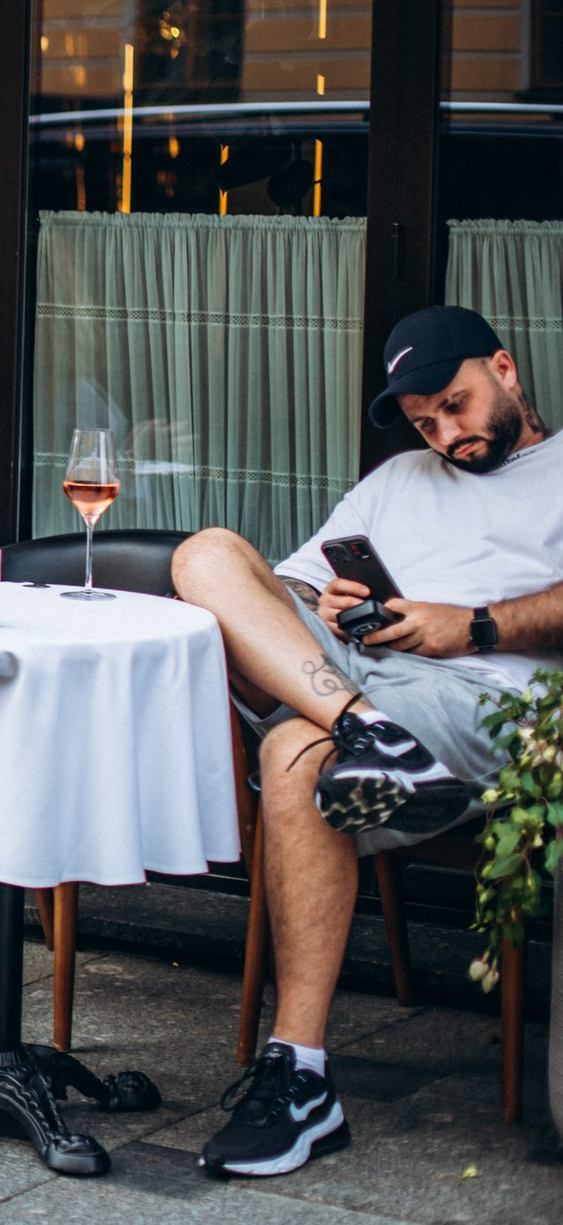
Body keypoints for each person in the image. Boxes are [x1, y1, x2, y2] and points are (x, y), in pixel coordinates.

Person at [171, 305, 563, 1179]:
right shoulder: (399, 480)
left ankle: (300, 1074)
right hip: (357, 680)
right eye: (425, 422)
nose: (446, 434)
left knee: (291, 756)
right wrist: (328, 605)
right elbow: (291, 586)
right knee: (205, 555)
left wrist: (471, 625)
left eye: (455, 406)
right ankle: (367, 732)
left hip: (485, 698)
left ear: (505, 370)